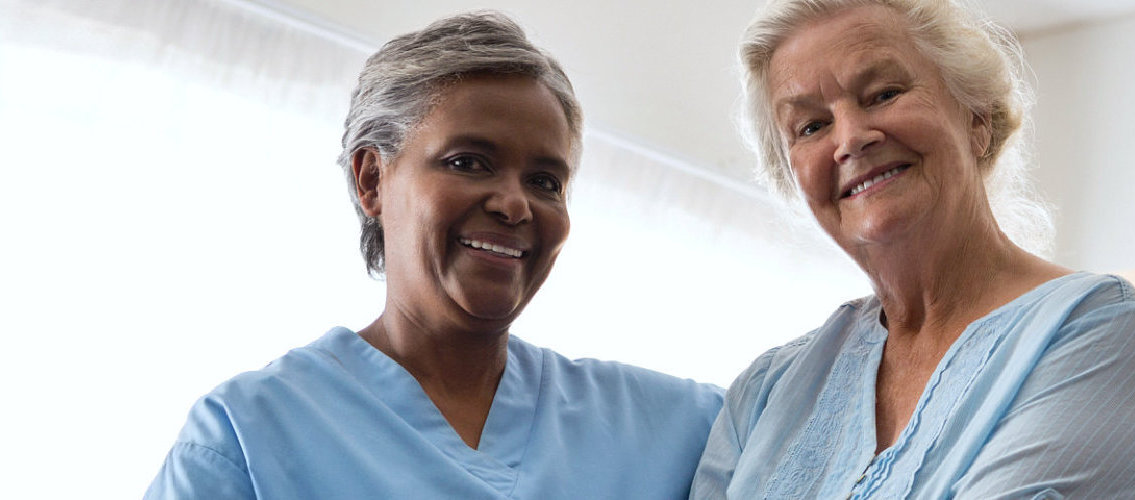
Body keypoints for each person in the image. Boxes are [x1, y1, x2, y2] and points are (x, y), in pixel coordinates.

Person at [145, 11, 722, 499]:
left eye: (546, 182)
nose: (515, 204)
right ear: (372, 179)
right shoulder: (248, 437)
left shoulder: (678, 430)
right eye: (468, 162)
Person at [690, 0, 1135, 498]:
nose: (851, 139)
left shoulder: (1098, 330)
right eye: (812, 127)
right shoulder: (765, 392)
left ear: (978, 118)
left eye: (884, 93)